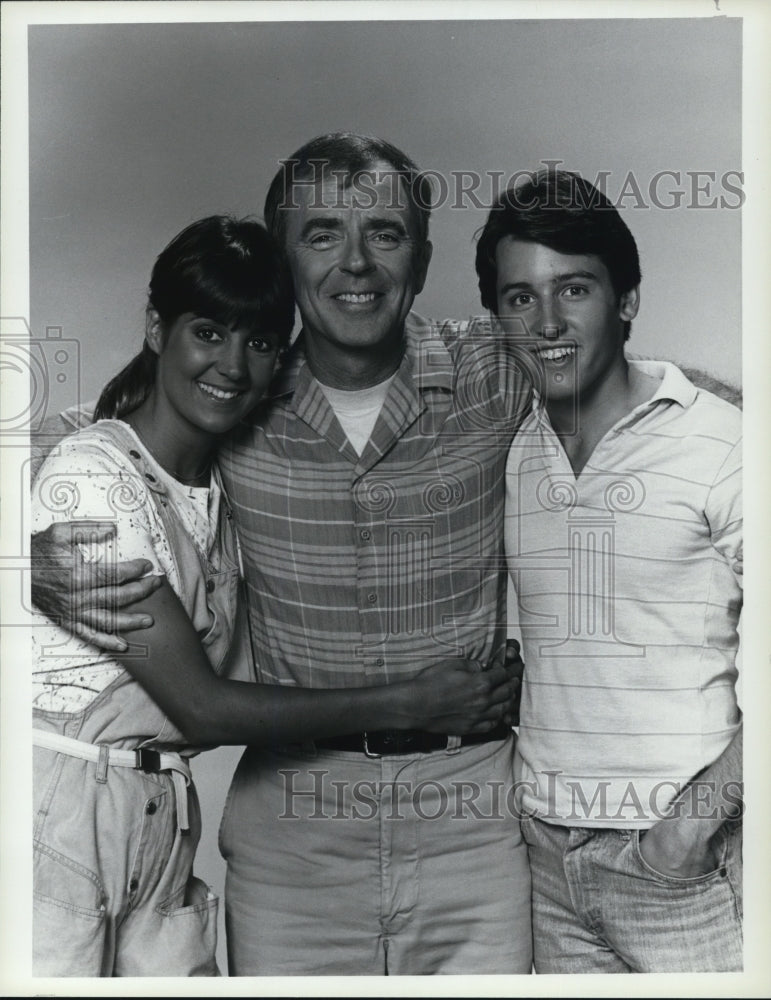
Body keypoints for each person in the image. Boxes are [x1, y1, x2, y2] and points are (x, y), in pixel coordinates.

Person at [31, 133, 535, 976]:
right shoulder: (236, 395)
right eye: (321, 234)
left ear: (421, 256)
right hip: (292, 836)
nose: (356, 264)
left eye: (384, 233)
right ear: (286, 254)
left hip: (473, 825)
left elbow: (624, 383)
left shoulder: (493, 369)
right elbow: (86, 444)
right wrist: (21, 554)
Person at [475, 169, 743, 973]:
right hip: (543, 862)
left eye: (575, 289)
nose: (547, 321)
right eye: (519, 298)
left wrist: (695, 823)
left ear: (625, 299)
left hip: (681, 864)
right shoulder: (509, 449)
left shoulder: (722, 443)